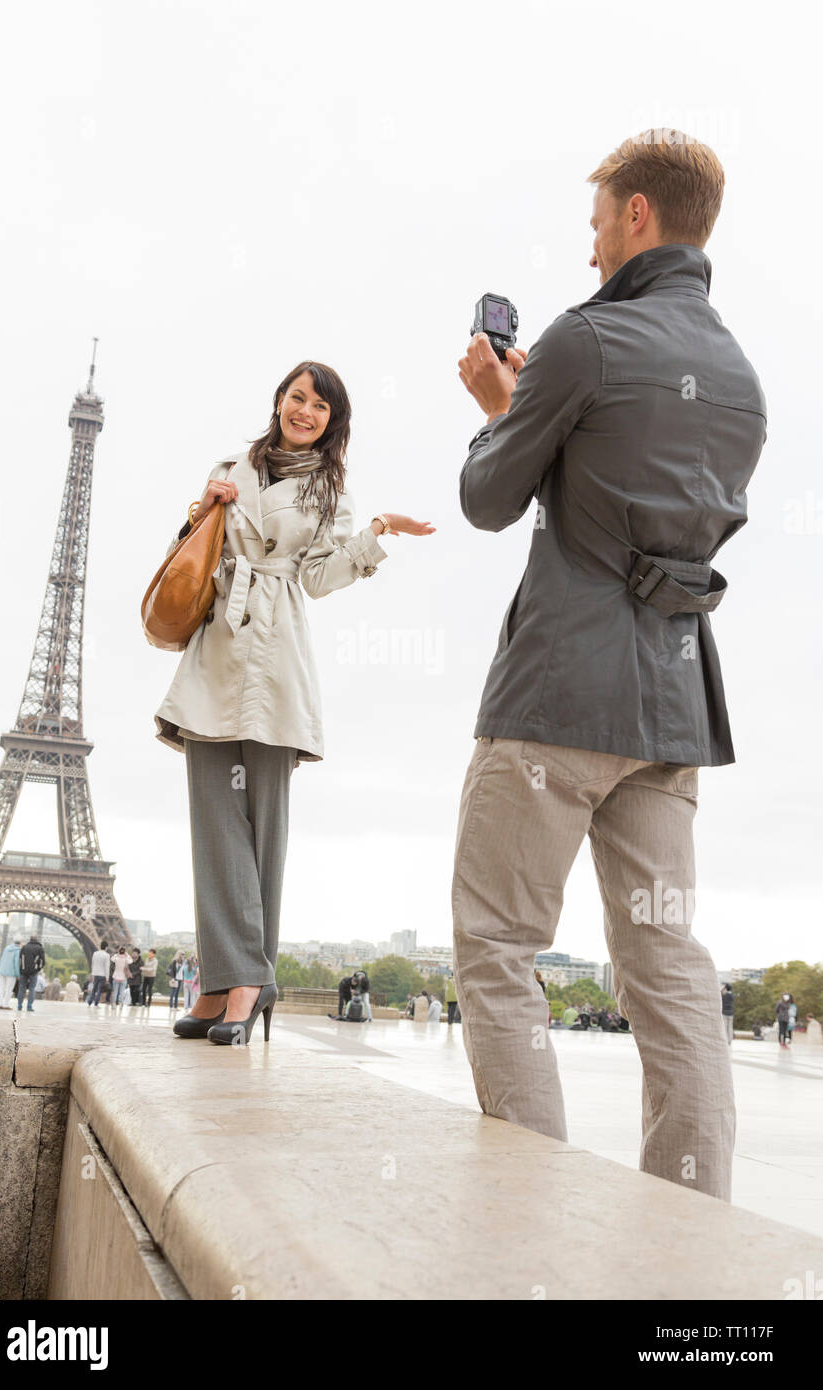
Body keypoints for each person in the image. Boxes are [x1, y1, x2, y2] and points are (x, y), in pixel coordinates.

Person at [450, 130, 766, 1205]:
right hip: (669, 707)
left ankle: (526, 1210)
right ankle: (691, 1223)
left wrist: (501, 411)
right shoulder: (740, 383)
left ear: (635, 215)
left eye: (594, 225)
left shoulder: (583, 341)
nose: (587, 252)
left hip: (553, 696)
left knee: (497, 944)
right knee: (666, 963)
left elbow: (490, 499)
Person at [153, 360, 434, 1046]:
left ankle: (245, 983)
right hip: (219, 648)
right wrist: (195, 516)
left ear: (333, 422)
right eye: (297, 397)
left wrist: (373, 536)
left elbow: (316, 578)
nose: (305, 411)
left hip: (276, 654)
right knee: (213, 826)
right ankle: (226, 983)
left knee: (262, 829)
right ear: (279, 400)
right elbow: (190, 560)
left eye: (321, 406)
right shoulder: (230, 466)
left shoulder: (330, 488)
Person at [17, 935, 45, 1012]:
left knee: (22, 988)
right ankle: (29, 1006)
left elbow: (20, 959)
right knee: (32, 989)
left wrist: (20, 970)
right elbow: (42, 961)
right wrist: (38, 969)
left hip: (23, 970)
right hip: (34, 971)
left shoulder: (24, 947)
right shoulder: (40, 948)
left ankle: (19, 1005)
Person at [0, 938, 21, 1010]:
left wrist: (0, 969)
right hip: (11, 972)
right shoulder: (18, 950)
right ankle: (6, 1004)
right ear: (19, 944)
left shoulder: (6, 948)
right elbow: (16, 963)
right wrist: (18, 974)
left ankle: (0, 1004)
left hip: (2, 971)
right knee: (9, 989)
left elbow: (2, 959)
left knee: (1, 988)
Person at [87, 939, 111, 1008]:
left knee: (94, 989)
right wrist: (107, 977)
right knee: (99, 990)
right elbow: (107, 967)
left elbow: (93, 964)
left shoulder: (95, 953)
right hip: (102, 975)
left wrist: (92, 973)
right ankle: (96, 1003)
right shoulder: (107, 955)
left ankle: (89, 1002)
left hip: (96, 973)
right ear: (106, 947)